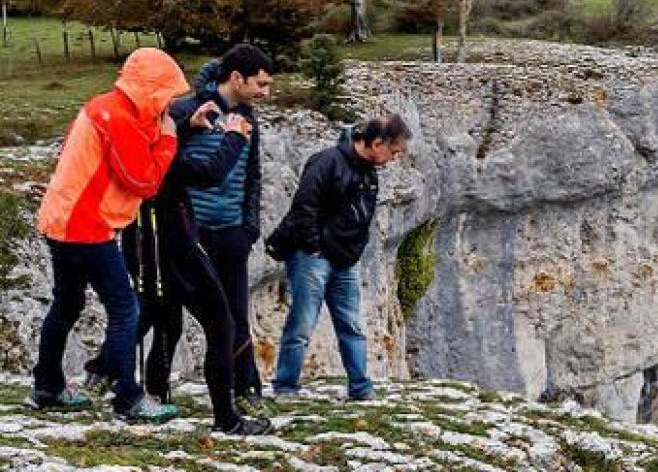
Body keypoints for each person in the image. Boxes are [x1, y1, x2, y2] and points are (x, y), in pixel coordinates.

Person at [93, 46, 276, 415]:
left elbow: (251, 176)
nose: (265, 92)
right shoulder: (184, 111)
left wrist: (248, 228)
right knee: (164, 315)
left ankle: (246, 388)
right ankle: (130, 380)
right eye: (261, 83)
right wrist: (209, 132)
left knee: (233, 315)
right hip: (183, 232)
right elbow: (177, 165)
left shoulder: (246, 121)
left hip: (229, 232)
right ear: (236, 78)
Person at [30, 48, 188, 422]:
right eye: (166, 94)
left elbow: (133, 142)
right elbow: (145, 181)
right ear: (150, 89)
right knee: (125, 310)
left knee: (67, 304)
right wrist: (169, 141)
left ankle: (47, 386)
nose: (169, 102)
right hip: (88, 227)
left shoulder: (104, 106)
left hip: (60, 220)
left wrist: (168, 124)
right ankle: (128, 398)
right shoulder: (117, 119)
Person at [266, 114, 411, 401]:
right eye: (393, 152)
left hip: (345, 261)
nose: (392, 159)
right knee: (302, 324)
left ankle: (360, 386)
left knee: (352, 325)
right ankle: (285, 385)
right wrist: (314, 246)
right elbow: (304, 206)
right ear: (377, 142)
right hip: (313, 258)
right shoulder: (326, 162)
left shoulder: (368, 171)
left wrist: (353, 250)